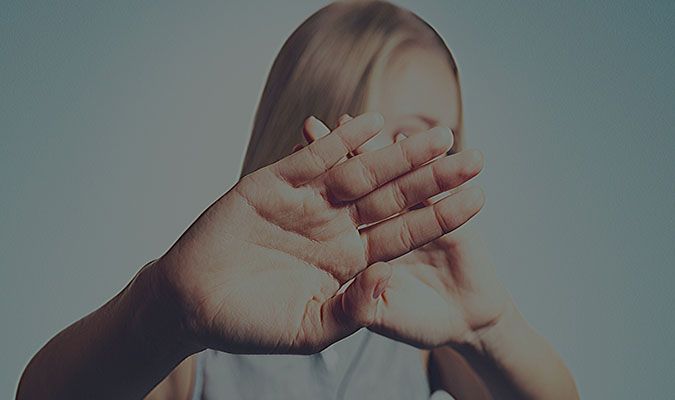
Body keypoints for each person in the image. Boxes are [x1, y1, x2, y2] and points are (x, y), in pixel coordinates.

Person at [17, 1, 579, 399]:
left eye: (444, 144)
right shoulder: (204, 333)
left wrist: (490, 326)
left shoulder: (426, 339)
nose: (428, 171)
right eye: (409, 138)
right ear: (315, 128)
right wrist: (163, 309)